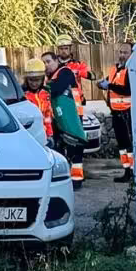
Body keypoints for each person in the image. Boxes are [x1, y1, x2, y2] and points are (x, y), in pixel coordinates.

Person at [43, 50, 86, 188]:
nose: (46, 65)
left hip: (73, 117)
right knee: (62, 149)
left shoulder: (65, 72)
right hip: (62, 118)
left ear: (56, 61)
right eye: (43, 63)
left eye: (48, 61)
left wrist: (44, 87)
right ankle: (67, 179)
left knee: (75, 148)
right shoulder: (52, 77)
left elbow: (56, 90)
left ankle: (77, 180)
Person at [99, 40, 134, 181]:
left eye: (125, 52)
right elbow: (110, 83)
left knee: (128, 144)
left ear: (132, 54)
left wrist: (110, 86)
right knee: (121, 144)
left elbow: (127, 90)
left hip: (126, 112)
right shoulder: (114, 68)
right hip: (115, 112)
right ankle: (126, 170)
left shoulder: (131, 70)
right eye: (120, 52)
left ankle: (132, 171)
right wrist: (102, 85)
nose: (122, 55)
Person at [21, 58, 53, 144]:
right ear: (26, 79)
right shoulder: (21, 95)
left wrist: (50, 134)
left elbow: (47, 116)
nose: (34, 83)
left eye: (37, 80)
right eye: (31, 80)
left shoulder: (46, 93)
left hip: (43, 136)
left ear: (42, 79)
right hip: (28, 136)